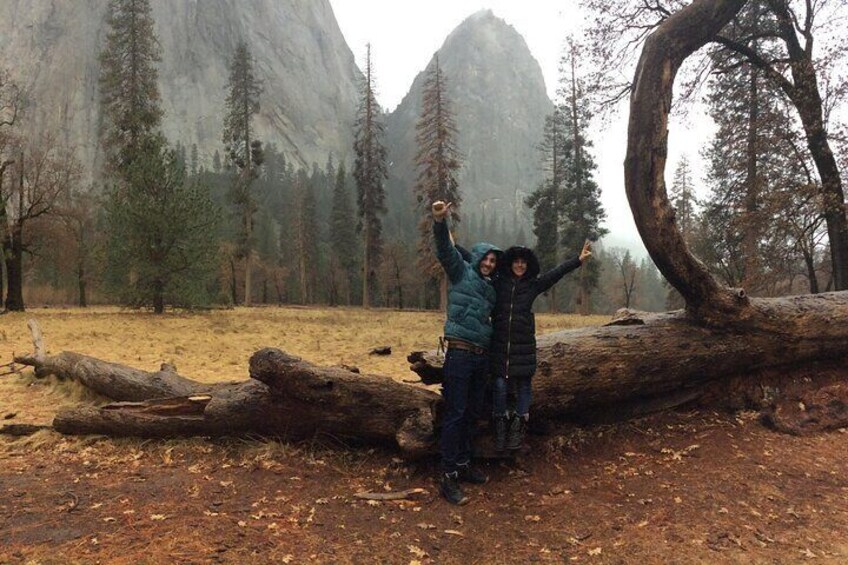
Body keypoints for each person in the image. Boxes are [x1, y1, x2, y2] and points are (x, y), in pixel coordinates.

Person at [490, 242, 592, 451]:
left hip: (524, 345)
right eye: (516, 262)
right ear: (509, 264)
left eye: (523, 263)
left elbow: (556, 274)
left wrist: (577, 260)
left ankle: (518, 428)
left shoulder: (532, 285)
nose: (520, 265)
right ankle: (500, 426)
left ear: (528, 265)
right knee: (499, 385)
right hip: (500, 345)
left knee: (524, 385)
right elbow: (475, 263)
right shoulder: (499, 283)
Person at [431, 200, 501, 505]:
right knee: (456, 412)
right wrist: (439, 221)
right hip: (459, 353)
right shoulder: (461, 273)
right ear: (477, 258)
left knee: (472, 412)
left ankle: (463, 464)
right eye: (485, 259)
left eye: (493, 261)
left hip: (480, 355)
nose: (488, 264)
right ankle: (447, 476)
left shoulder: (491, 289)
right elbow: (446, 251)